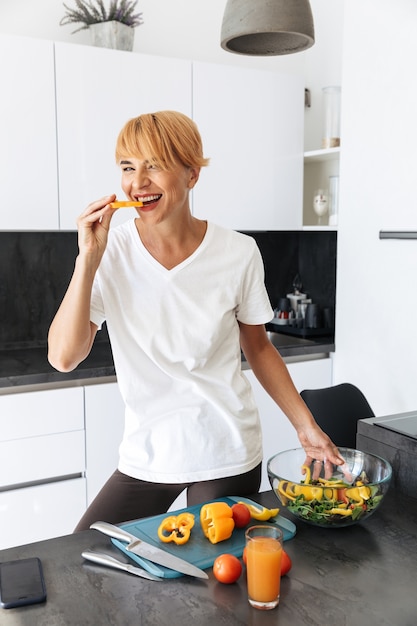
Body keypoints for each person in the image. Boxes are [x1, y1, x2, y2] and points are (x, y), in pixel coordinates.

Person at [48, 110, 343, 531]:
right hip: (149, 451)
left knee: (214, 582)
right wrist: (88, 258)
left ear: (191, 175)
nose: (138, 182)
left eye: (155, 165)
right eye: (129, 167)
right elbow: (63, 356)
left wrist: (307, 427)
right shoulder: (110, 251)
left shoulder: (238, 253)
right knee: (87, 551)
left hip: (225, 446)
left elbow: (258, 348)